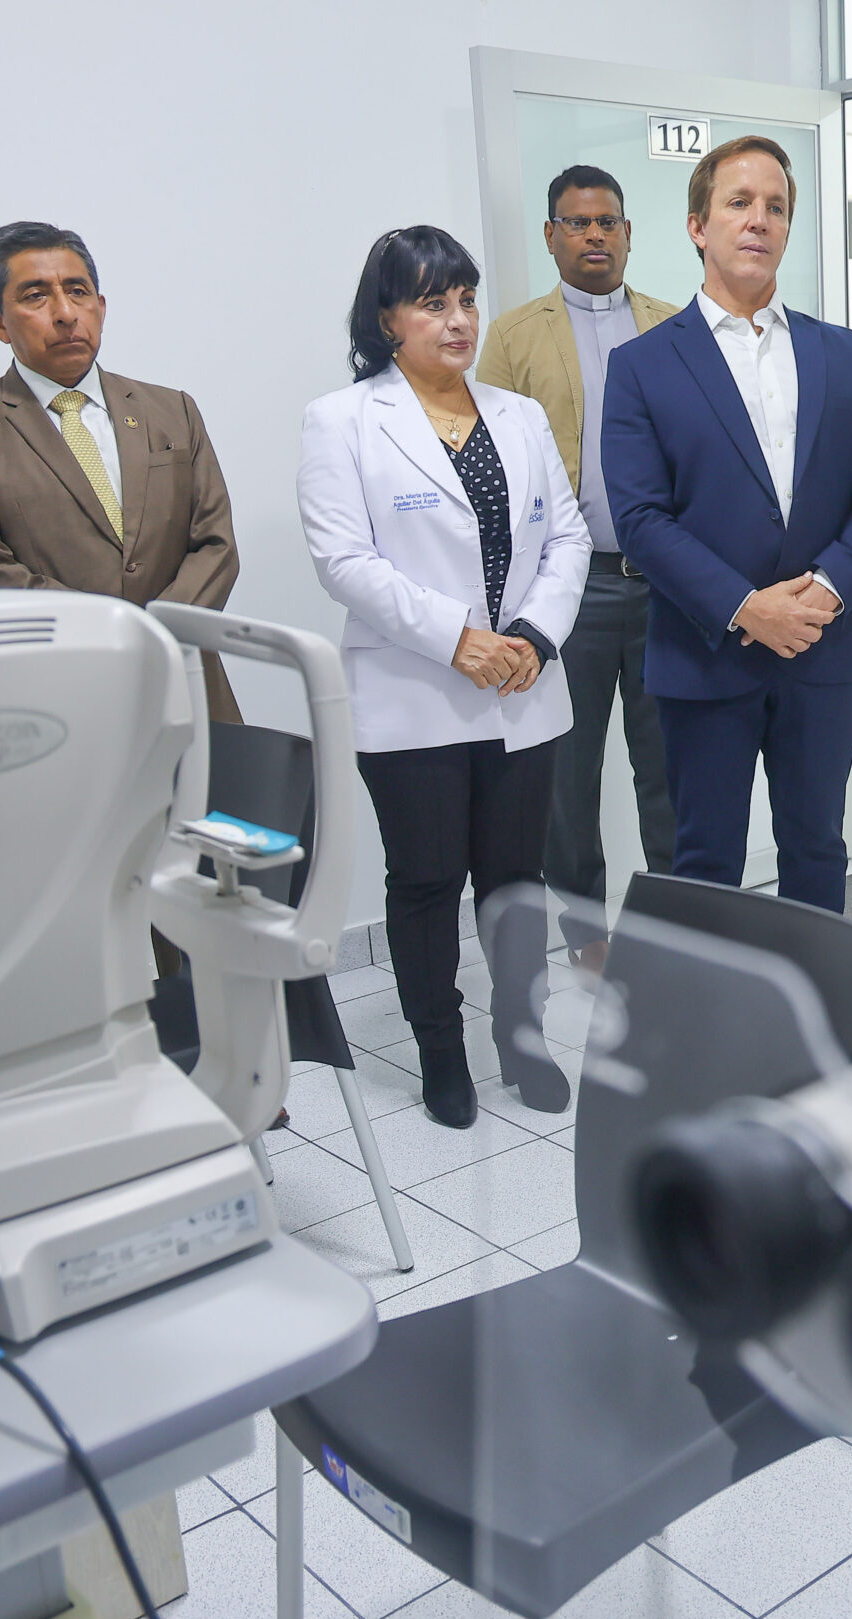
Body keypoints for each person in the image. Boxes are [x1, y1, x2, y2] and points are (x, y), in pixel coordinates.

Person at [299, 228, 590, 1129]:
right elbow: (344, 560)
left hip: (522, 688)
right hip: (414, 697)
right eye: (432, 301)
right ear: (387, 319)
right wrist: (460, 639)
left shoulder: (519, 415)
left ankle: (522, 1034)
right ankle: (441, 1050)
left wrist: (534, 636)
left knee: (514, 880)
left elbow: (568, 536)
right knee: (426, 881)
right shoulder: (342, 421)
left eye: (465, 297)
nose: (458, 318)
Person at [601, 136, 852, 912]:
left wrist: (828, 590)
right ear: (699, 225)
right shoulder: (641, 366)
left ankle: (818, 1030)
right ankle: (711, 1033)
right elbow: (640, 518)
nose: (758, 220)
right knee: (705, 859)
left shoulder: (842, 354)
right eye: (739, 203)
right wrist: (746, 606)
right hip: (707, 653)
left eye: (775, 207)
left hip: (819, 646)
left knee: (818, 846)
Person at [0, 221, 245, 726]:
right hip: (59, 701)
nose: (66, 313)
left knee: (212, 807)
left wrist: (160, 633)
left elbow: (215, 546)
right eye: (35, 296)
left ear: (101, 305)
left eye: (78, 291)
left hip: (188, 687)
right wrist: (120, 635)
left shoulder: (171, 409)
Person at [479, 166, 683, 970]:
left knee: (670, 760)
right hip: (573, 588)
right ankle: (584, 928)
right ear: (551, 235)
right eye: (577, 222)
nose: (594, 235)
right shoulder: (513, 335)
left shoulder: (674, 326)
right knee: (570, 772)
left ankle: (674, 917)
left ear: (629, 233)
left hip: (668, 583)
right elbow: (488, 462)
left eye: (607, 222)